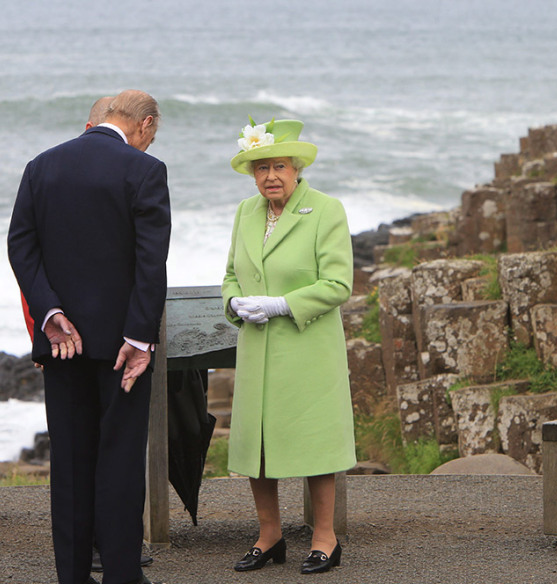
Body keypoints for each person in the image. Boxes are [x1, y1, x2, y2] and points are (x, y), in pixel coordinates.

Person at [8, 89, 171, 584]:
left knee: (71, 464)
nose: (147, 144)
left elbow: (21, 246)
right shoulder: (145, 171)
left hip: (61, 343)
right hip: (122, 346)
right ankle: (122, 575)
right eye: (152, 135)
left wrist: (50, 312)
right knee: (119, 462)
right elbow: (150, 263)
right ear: (144, 124)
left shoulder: (42, 166)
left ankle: (72, 576)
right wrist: (140, 337)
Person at [222, 119, 356, 575]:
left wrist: (282, 303)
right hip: (258, 349)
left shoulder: (325, 209)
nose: (270, 176)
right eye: (261, 168)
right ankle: (269, 535)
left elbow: (338, 284)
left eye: (279, 166)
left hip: (307, 348)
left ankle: (325, 537)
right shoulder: (245, 212)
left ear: (296, 168)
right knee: (258, 446)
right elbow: (230, 275)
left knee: (314, 443)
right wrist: (234, 301)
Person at [19, 95, 114, 344]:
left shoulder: (42, 169)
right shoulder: (46, 173)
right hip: (59, 324)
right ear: (90, 130)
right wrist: (37, 331)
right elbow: (29, 252)